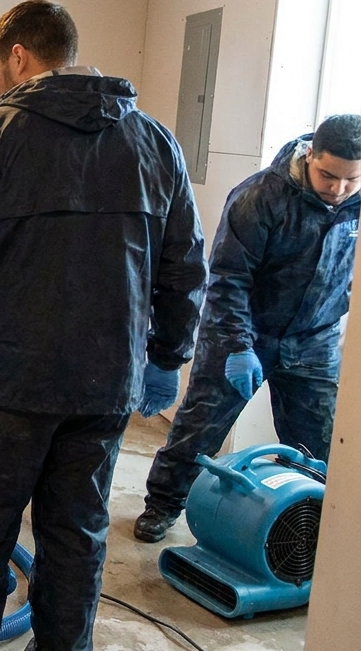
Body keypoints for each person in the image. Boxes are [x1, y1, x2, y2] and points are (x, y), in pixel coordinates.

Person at [0, 0, 207, 651]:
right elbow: (185, 265)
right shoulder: (154, 141)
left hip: (4, 384)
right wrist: (165, 356)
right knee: (77, 534)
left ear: (19, 53)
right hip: (104, 386)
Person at [134, 114, 361, 543]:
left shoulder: (355, 202)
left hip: (315, 338)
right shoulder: (261, 197)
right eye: (328, 175)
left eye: (351, 180)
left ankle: (313, 524)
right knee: (201, 426)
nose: (338, 189)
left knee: (320, 443)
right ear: (309, 153)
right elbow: (227, 278)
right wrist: (238, 344)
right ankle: (162, 504)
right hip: (243, 332)